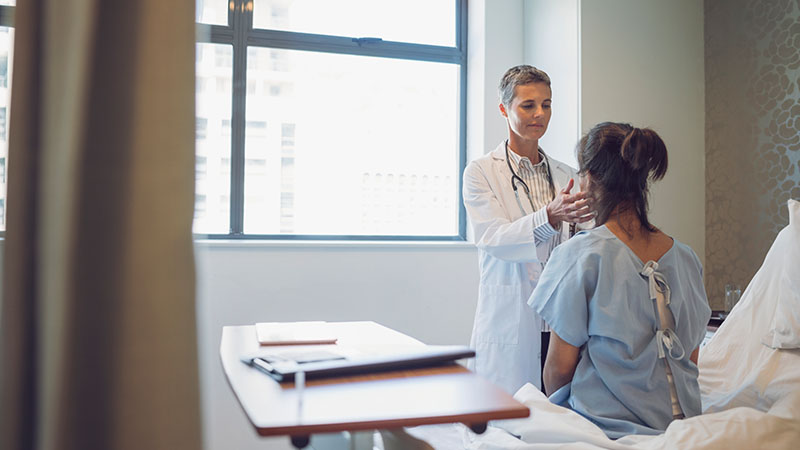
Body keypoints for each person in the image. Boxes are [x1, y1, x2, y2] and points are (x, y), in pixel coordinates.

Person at [529, 122, 712, 438]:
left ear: (591, 179)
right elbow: (691, 357)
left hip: (607, 430)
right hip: (683, 428)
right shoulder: (686, 257)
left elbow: (558, 369)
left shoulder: (580, 255)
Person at [462, 65, 593, 395]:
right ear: (504, 108)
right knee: (510, 427)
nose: (540, 114)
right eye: (528, 105)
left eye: (546, 105)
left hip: (560, 323)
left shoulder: (567, 176)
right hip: (513, 321)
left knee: (559, 422)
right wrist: (548, 217)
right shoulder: (480, 173)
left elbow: (586, 243)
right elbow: (492, 238)